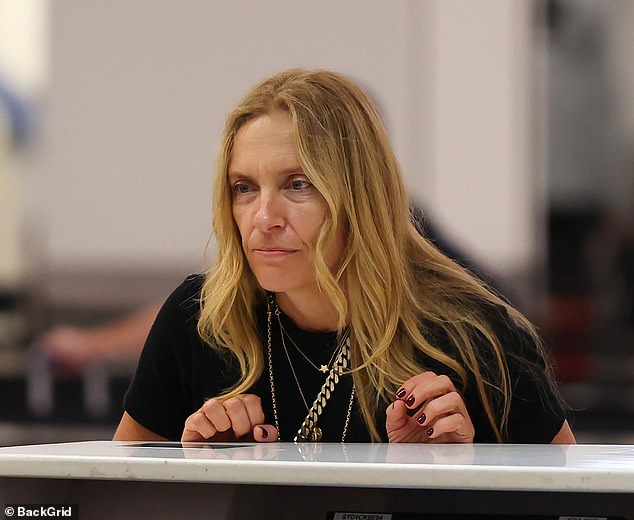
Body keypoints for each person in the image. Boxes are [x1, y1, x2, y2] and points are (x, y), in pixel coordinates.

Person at [114, 69, 575, 444]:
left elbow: (573, 503)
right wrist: (191, 476)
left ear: (359, 195)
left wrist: (461, 478)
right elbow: (116, 495)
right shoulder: (198, 319)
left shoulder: (476, 335)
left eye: (298, 184)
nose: (263, 217)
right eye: (244, 188)